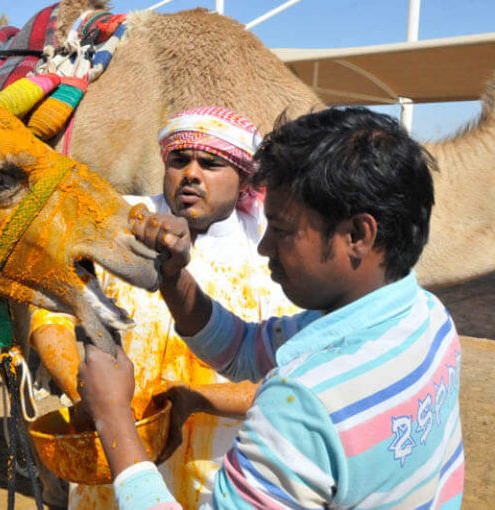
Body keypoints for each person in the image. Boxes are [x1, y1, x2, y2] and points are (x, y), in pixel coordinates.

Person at [79, 107, 465, 509]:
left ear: (357, 235)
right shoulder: (425, 316)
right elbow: (243, 349)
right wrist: (174, 278)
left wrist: (113, 416)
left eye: (281, 230)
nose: (264, 248)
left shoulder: (303, 407)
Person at [29, 106, 296, 508]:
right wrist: (87, 394)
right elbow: (50, 314)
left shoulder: (268, 258)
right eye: (179, 160)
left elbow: (287, 385)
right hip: (109, 470)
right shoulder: (115, 226)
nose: (191, 173)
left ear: (244, 178)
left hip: (218, 479)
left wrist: (189, 399)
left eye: (210, 164)